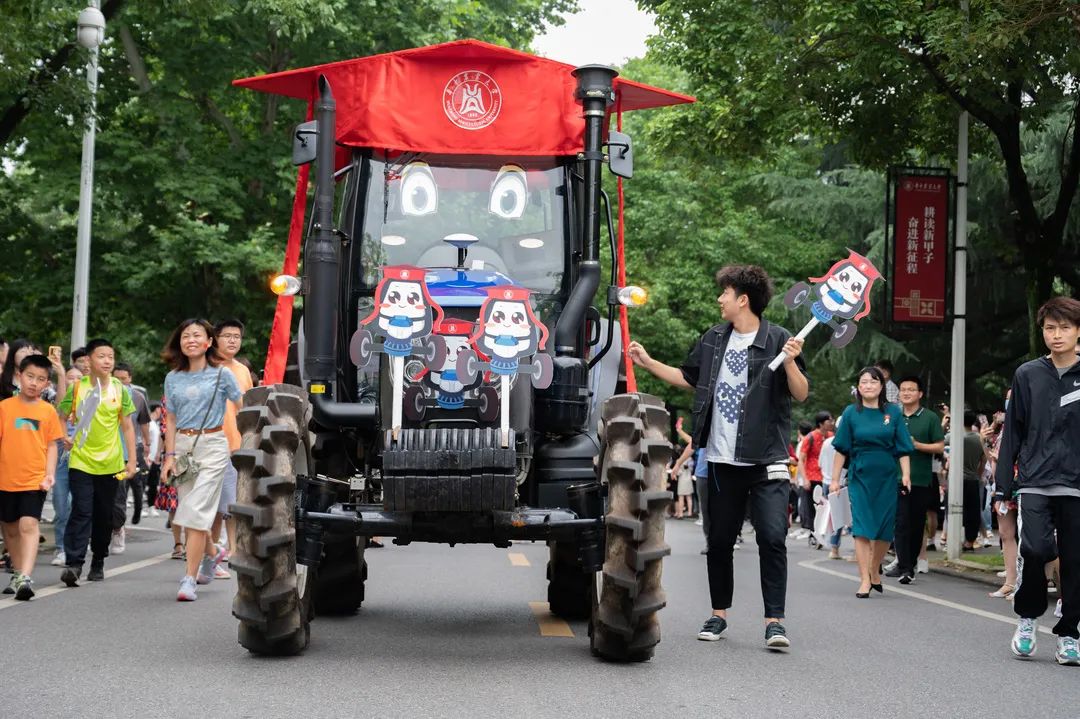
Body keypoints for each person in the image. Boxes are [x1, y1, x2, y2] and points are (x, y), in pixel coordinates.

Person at [628, 263, 807, 649]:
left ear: (743, 299)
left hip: (767, 459)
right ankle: (718, 614)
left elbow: (801, 392)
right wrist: (647, 362)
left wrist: (790, 360)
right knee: (720, 540)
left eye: (724, 293)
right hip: (722, 461)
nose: (719, 299)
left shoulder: (779, 339)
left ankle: (774, 621)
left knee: (773, 537)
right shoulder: (713, 339)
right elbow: (688, 378)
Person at [995, 296, 1080, 664]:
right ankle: (1028, 616)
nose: (1056, 335)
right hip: (1034, 479)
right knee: (1035, 549)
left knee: (1075, 561)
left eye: (1064, 328)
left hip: (1076, 483)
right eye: (1050, 328)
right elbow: (1012, 431)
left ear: (1078, 331)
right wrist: (1003, 484)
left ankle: (1068, 634)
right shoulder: (1028, 374)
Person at [160, 319, 243, 602]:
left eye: (197, 335)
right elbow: (170, 419)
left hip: (214, 446)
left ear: (209, 342)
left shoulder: (223, 375)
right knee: (189, 509)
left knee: (194, 512)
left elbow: (244, 409)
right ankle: (213, 551)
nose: (191, 340)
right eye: (186, 335)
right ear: (179, 343)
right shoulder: (172, 378)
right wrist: (169, 456)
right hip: (183, 448)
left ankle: (189, 579)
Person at [57, 339, 138, 586]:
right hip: (81, 460)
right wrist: (64, 437)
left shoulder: (119, 389)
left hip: (111, 464)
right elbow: (59, 417)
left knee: (104, 514)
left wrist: (132, 460)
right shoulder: (77, 388)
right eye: (101, 356)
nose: (107, 361)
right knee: (81, 510)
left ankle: (99, 560)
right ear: (89, 360)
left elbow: (127, 427)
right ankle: (74, 563)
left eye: (110, 357)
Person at [830, 366, 913, 598]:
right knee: (862, 528)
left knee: (885, 530)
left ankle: (874, 569)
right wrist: (835, 480)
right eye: (864, 381)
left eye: (873, 382)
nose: (868, 385)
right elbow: (841, 449)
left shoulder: (893, 413)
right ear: (858, 386)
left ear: (881, 386)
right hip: (860, 474)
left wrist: (905, 474)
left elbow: (903, 447)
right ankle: (865, 579)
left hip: (887, 474)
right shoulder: (850, 413)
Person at [0, 355, 65, 600]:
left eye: (40, 379)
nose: (34, 383)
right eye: (30, 377)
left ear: (46, 383)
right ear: (19, 376)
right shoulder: (5, 408)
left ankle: (26, 576)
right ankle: (18, 573)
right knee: (10, 527)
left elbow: (51, 446)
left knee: (28, 524)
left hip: (34, 479)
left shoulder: (47, 411)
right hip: (5, 478)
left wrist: (49, 474)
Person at [885, 376, 944, 584]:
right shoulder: (892, 416)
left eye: (911, 389)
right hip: (896, 477)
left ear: (920, 394)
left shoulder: (930, 418)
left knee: (917, 524)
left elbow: (939, 446)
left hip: (921, 479)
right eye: (903, 389)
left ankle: (908, 563)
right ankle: (905, 567)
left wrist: (916, 445)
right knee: (900, 522)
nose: (907, 393)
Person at [209, 319, 254, 577]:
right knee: (212, 507)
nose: (233, 341)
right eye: (227, 336)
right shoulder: (206, 367)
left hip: (236, 444)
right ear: (215, 338)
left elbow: (247, 408)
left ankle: (233, 551)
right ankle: (212, 554)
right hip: (210, 443)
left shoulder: (242, 371)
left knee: (232, 504)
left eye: (237, 336)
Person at [110, 361, 152, 552]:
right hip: (103, 453)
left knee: (119, 494)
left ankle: (118, 529)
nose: (119, 382)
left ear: (130, 379)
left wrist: (146, 445)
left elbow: (144, 423)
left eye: (123, 379)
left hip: (127, 454)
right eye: (115, 378)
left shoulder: (137, 397)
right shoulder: (101, 394)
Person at [50, 366, 83, 567]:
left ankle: (71, 544)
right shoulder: (59, 399)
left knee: (78, 502)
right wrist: (61, 375)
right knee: (61, 502)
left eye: (79, 378)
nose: (75, 381)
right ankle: (61, 547)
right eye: (70, 377)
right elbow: (60, 407)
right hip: (61, 452)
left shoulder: (91, 399)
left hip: (83, 452)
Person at [796, 412, 834, 536]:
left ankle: (823, 533)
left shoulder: (831, 436)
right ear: (821, 423)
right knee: (811, 507)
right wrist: (804, 478)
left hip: (826, 476)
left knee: (825, 507)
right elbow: (801, 460)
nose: (832, 422)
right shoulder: (810, 437)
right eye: (829, 420)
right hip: (812, 476)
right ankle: (813, 534)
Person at [959, 410, 989, 552]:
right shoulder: (979, 439)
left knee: (955, 510)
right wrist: (978, 475)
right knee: (973, 511)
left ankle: (955, 539)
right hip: (972, 479)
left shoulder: (955, 437)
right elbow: (983, 461)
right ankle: (970, 541)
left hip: (957, 481)